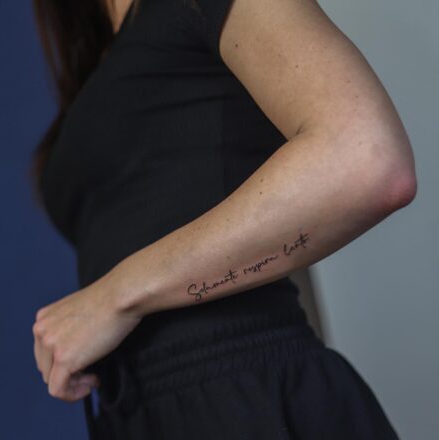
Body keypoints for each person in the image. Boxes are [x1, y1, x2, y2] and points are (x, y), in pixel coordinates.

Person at [31, 0, 416, 439]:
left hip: (240, 398)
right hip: (143, 415)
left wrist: (115, 297)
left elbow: (367, 160)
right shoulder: (97, 54)